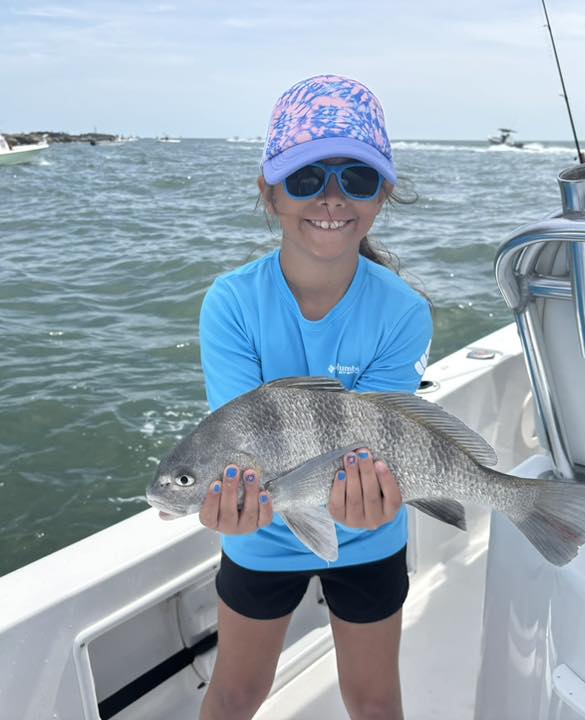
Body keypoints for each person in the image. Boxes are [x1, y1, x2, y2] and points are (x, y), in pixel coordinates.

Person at [192, 75, 433, 720]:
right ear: (269, 191)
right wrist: (230, 500)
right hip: (261, 535)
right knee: (235, 693)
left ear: (382, 193)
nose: (331, 197)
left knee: (375, 701)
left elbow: (381, 439)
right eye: (304, 179)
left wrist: (369, 495)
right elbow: (239, 443)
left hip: (369, 532)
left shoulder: (404, 312)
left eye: (357, 178)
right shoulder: (231, 303)